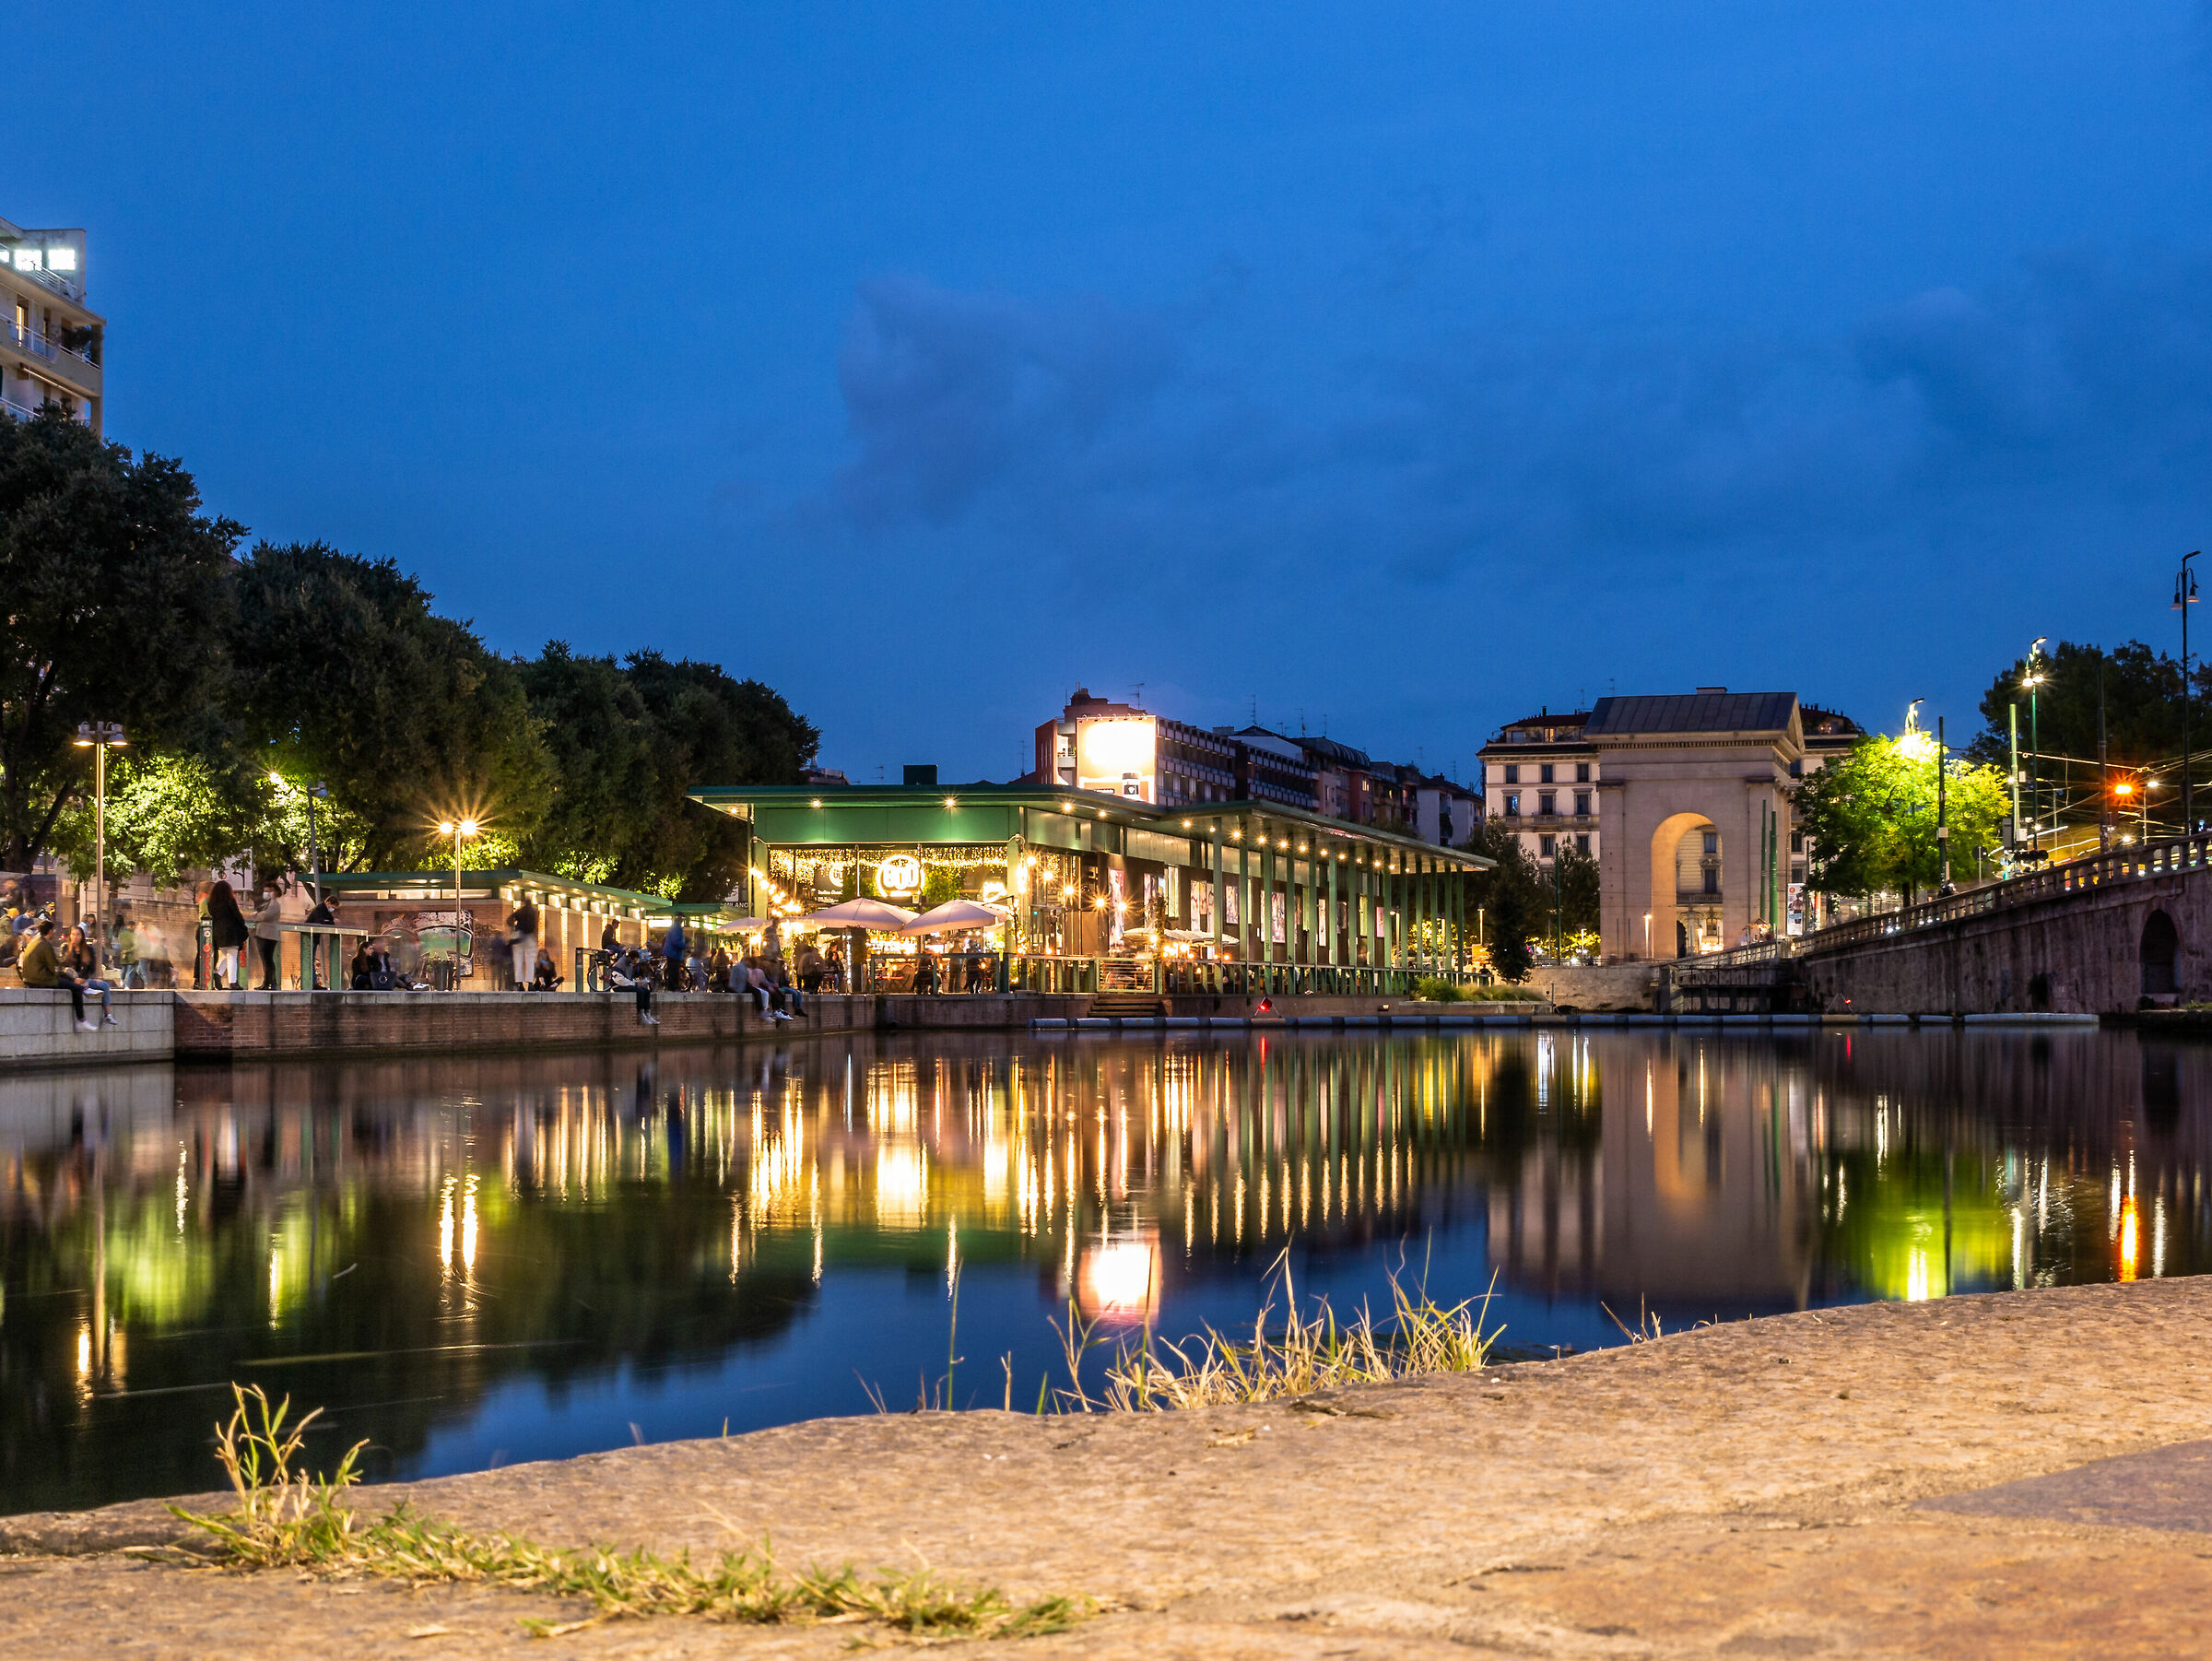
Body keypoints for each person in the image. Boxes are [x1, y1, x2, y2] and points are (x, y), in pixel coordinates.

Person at [19, 919, 111, 1031]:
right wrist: (67, 975)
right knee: (74, 987)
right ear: (50, 931)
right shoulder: (44, 945)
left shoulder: (35, 942)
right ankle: (81, 1018)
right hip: (40, 980)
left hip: (31, 979)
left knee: (69, 981)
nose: (54, 932)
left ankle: (84, 990)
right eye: (53, 930)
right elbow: (53, 967)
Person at [64, 924, 118, 1025]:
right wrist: (74, 978)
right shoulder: (66, 948)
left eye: (78, 934)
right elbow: (63, 968)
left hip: (85, 980)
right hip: (71, 980)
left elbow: (91, 968)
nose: (76, 937)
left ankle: (108, 1015)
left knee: (104, 985)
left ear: (82, 936)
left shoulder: (88, 950)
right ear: (70, 936)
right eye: (73, 934)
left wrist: (88, 980)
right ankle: (86, 992)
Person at [206, 879, 249, 989]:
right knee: (232, 956)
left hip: (218, 932)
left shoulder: (211, 903)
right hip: (231, 931)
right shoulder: (230, 900)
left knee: (227, 955)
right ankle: (233, 982)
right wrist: (243, 927)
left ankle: (218, 973)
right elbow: (237, 915)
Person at [253, 882, 286, 989]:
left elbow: (265, 916)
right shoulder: (268, 903)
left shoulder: (274, 904)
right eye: (265, 891)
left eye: (268, 891)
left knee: (267, 960)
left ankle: (269, 983)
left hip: (267, 935)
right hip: (264, 934)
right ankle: (268, 982)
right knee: (267, 960)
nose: (266, 893)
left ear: (275, 892)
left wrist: (256, 915)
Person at [509, 894, 540, 990]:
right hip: (529, 936)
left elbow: (509, 920)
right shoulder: (534, 912)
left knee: (518, 959)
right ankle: (530, 983)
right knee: (530, 959)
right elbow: (536, 925)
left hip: (517, 935)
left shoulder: (520, 911)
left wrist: (513, 929)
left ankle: (519, 983)